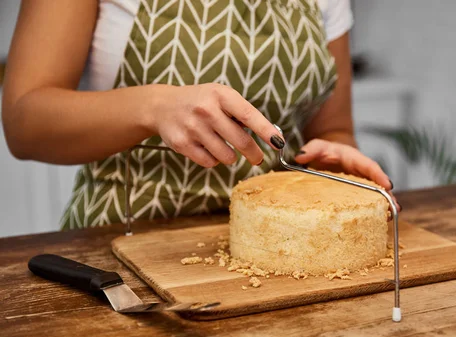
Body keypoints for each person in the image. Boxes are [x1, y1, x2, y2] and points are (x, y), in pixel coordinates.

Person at [2, 0, 395, 230]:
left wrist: (337, 167)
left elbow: (334, 130)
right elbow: (25, 123)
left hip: (275, 247)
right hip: (118, 249)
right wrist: (153, 107)